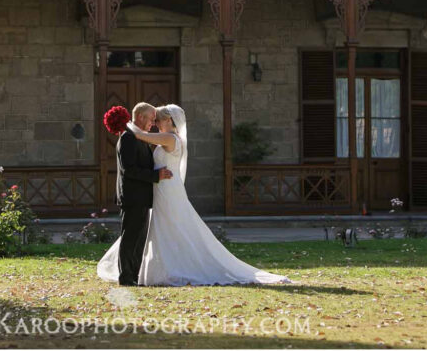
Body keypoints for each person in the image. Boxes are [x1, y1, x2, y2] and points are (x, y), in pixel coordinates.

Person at [98, 104, 294, 286]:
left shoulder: (168, 138)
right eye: (152, 119)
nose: (154, 123)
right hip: (154, 192)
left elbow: (141, 136)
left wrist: (125, 124)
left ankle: (157, 270)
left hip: (166, 190)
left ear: (168, 121)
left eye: (157, 119)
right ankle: (136, 273)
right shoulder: (142, 137)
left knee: (166, 230)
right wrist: (127, 127)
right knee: (146, 233)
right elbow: (135, 158)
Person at [112, 102, 173, 286]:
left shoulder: (139, 137)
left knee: (140, 239)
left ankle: (134, 275)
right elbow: (129, 169)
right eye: (151, 119)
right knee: (131, 237)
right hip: (133, 197)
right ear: (140, 117)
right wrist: (156, 175)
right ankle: (126, 277)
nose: (153, 124)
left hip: (142, 197)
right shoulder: (128, 137)